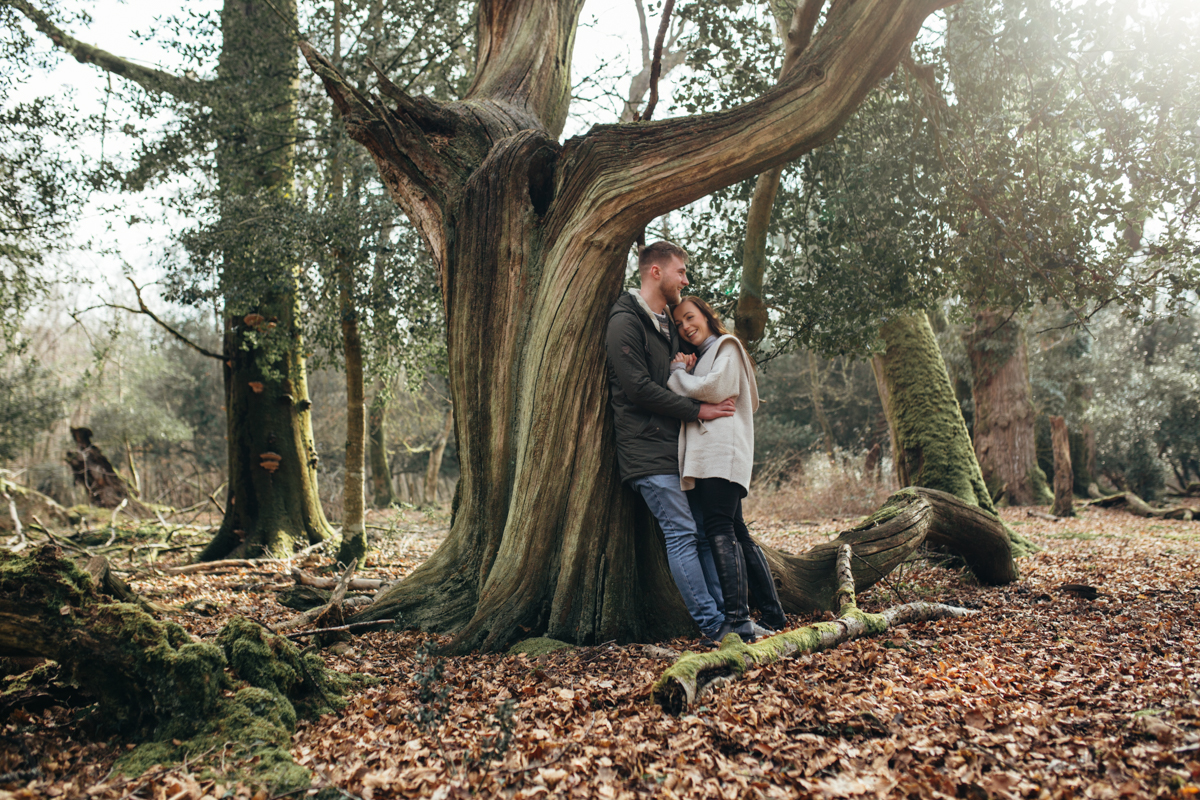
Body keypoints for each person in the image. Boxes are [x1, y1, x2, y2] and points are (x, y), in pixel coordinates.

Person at [606, 241, 735, 643]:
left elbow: (671, 375)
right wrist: (698, 412)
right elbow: (639, 388)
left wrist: (684, 366)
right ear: (656, 272)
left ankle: (729, 621)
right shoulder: (624, 321)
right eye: (681, 271)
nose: (686, 279)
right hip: (646, 451)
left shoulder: (666, 325)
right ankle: (712, 627)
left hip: (677, 449)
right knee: (681, 533)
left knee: (698, 533)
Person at [668, 296, 787, 642]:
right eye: (679, 324)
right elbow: (701, 392)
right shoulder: (705, 355)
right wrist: (689, 375)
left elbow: (713, 389)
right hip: (711, 456)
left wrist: (678, 375)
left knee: (720, 528)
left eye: (690, 317)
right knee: (737, 531)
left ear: (706, 315)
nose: (686, 326)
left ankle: (737, 620)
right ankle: (774, 613)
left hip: (722, 454)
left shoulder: (727, 346)